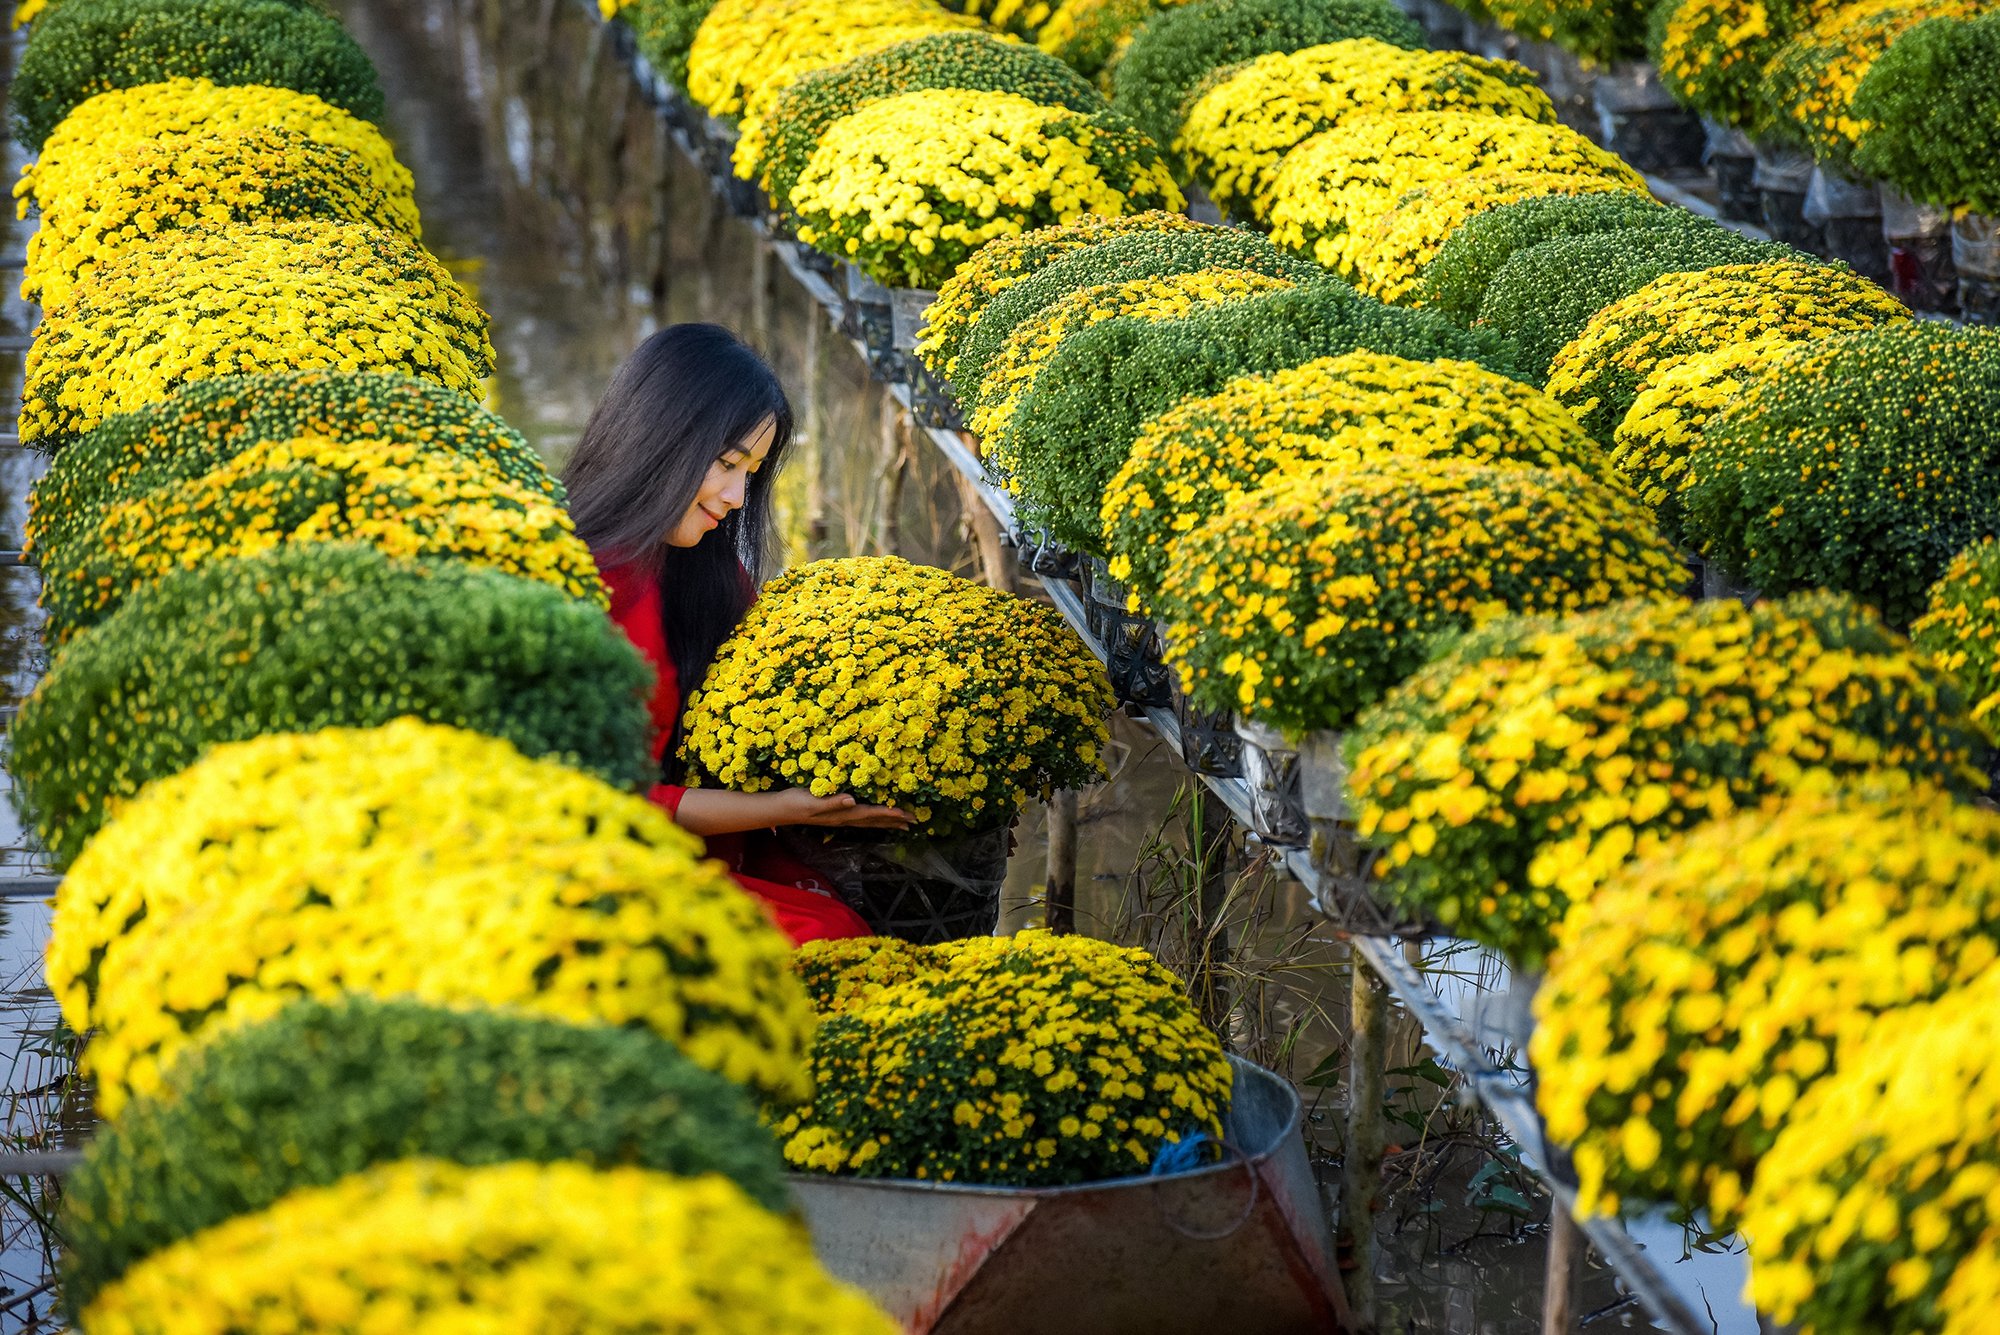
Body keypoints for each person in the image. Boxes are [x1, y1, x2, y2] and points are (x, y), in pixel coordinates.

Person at [564, 323, 910, 945]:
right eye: (726, 464)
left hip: (704, 839)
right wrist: (782, 808)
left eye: (750, 472)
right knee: (828, 939)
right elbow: (585, 799)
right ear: (657, 438)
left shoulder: (704, 571)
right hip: (593, 857)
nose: (735, 496)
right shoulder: (582, 582)